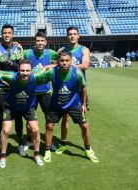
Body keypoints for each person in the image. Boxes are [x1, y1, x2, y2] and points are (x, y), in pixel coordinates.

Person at [43, 50, 99, 163]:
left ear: (71, 61)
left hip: (74, 104)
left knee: (85, 126)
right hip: (56, 104)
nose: (64, 63)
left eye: (67, 60)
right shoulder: (52, 72)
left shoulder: (77, 72)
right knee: (49, 126)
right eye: (62, 60)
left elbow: (84, 87)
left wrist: (83, 104)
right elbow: (38, 79)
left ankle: (88, 150)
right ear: (58, 61)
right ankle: (48, 150)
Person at [0, 59, 47, 168]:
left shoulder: (35, 76)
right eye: (22, 70)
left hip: (27, 107)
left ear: (31, 71)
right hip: (11, 106)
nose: (25, 73)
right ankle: (3, 156)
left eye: (27, 70)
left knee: (36, 129)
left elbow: (49, 68)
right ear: (18, 70)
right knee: (6, 130)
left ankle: (36, 155)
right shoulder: (12, 76)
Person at [0, 24, 25, 157]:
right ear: (1, 34)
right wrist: (2, 77)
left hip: (15, 86)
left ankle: (21, 143)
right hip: (0, 86)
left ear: (12, 34)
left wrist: (10, 63)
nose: (7, 35)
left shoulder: (19, 47)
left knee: (18, 115)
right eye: (4, 32)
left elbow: (22, 68)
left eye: (9, 33)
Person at [55, 26, 90, 155]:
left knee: (83, 122)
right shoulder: (61, 51)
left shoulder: (84, 49)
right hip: (65, 90)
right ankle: (63, 143)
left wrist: (68, 66)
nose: (72, 36)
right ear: (67, 36)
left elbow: (85, 65)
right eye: (70, 34)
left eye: (74, 34)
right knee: (65, 118)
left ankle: (87, 148)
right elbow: (56, 65)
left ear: (78, 36)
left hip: (79, 89)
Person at [24, 31, 57, 151]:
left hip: (45, 92)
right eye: (38, 41)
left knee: (49, 119)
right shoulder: (28, 53)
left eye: (42, 41)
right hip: (31, 92)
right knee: (29, 120)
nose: (40, 43)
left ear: (46, 42)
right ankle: (28, 140)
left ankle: (49, 142)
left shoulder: (51, 53)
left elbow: (61, 62)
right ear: (34, 42)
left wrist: (47, 66)